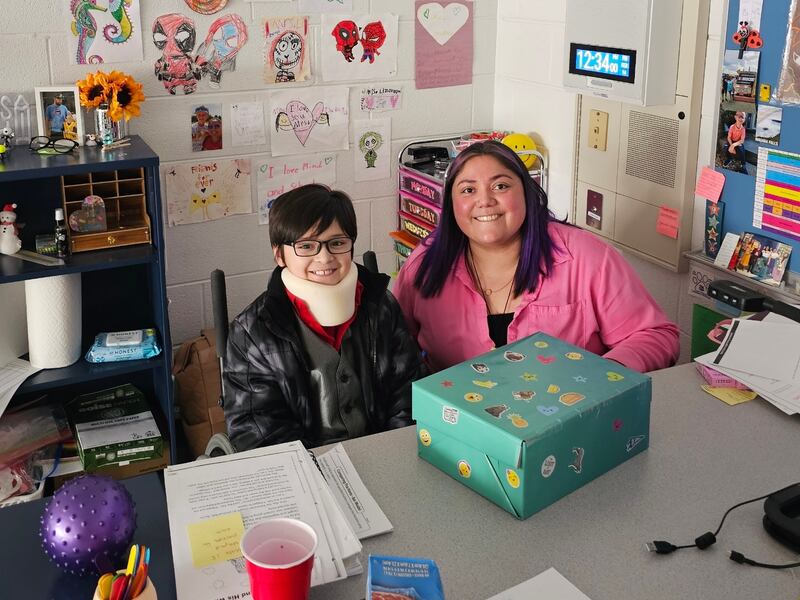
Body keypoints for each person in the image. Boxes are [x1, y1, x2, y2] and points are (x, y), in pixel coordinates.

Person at [393, 141, 680, 374]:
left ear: (526, 193)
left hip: (570, 416)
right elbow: (392, 349)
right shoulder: (424, 266)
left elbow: (656, 335)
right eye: (468, 190)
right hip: (457, 421)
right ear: (452, 205)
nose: (485, 201)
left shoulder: (586, 258)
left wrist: (604, 375)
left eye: (501, 186)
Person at [223, 184, 426, 451]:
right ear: (279, 254)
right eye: (306, 246)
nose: (325, 257)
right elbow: (258, 431)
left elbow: (407, 394)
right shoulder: (252, 332)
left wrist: (392, 452)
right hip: (305, 463)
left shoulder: (380, 307)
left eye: (337, 243)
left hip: (381, 452)